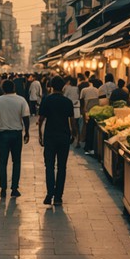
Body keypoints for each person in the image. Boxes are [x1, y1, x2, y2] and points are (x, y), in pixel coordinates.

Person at [38, 75, 77, 206]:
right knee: (62, 167)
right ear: (63, 87)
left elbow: (41, 119)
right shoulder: (67, 102)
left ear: (51, 86)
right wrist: (74, 134)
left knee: (49, 166)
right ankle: (58, 197)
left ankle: (50, 193)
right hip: (64, 136)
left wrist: (40, 135)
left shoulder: (47, 100)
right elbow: (72, 120)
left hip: (50, 136)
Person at [0, 79, 30, 198]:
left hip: (3, 135)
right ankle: (14, 188)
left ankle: (3, 187)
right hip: (17, 134)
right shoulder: (21, 100)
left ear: (3, 89)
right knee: (16, 162)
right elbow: (26, 117)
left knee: (2, 161)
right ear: (14, 88)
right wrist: (27, 131)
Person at [80, 77, 101, 153]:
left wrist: (82, 111)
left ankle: (86, 145)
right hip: (96, 112)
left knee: (87, 128)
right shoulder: (98, 91)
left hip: (86, 111)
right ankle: (89, 146)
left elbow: (81, 101)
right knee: (91, 130)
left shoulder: (84, 90)